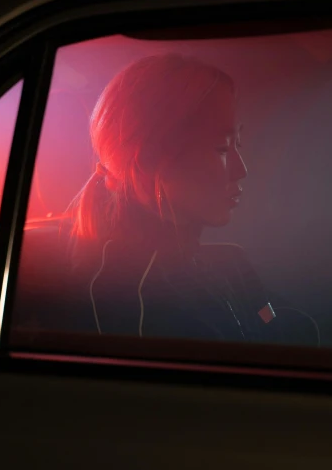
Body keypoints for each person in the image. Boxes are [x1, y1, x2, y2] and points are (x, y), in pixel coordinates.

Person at [65, 52, 289, 343]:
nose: (241, 170)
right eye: (222, 148)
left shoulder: (232, 264)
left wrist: (266, 314)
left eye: (238, 144)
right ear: (148, 160)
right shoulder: (136, 295)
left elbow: (272, 320)